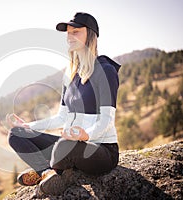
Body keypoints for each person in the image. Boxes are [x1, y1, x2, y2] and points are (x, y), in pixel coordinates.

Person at [7, 12, 121, 196]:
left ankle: (47, 170)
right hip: (71, 144)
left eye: (76, 32)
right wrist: (28, 126)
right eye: (68, 33)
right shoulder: (70, 75)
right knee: (16, 134)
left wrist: (86, 135)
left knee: (64, 146)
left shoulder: (106, 71)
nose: (70, 36)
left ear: (90, 34)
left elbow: (106, 120)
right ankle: (47, 173)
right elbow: (61, 117)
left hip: (101, 150)